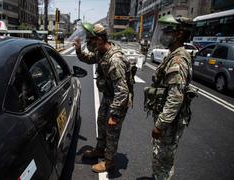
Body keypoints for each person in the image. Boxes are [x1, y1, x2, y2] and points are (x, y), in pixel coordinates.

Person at [73, 23, 132, 173]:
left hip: (118, 100)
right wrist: (79, 50)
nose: (89, 43)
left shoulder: (115, 60)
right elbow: (89, 58)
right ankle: (100, 150)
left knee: (112, 130)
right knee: (101, 124)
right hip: (108, 96)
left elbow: (123, 90)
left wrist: (115, 114)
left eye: (91, 40)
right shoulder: (101, 52)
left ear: (100, 39)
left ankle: (109, 161)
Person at [144, 15, 196, 180]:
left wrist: (160, 125)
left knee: (164, 159)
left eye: (168, 31)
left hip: (169, 123)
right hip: (167, 120)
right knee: (160, 155)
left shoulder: (178, 60)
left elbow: (175, 97)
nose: (164, 34)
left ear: (179, 34)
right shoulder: (173, 55)